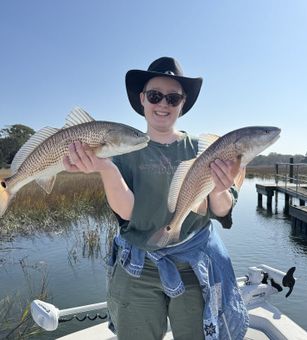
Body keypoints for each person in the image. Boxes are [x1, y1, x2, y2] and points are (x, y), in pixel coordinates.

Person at [63, 57, 249, 340]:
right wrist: (105, 167)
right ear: (142, 99)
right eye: (155, 96)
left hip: (193, 265)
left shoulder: (205, 148)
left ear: (182, 103)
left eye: (173, 98)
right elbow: (127, 213)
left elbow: (222, 211)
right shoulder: (121, 146)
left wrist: (219, 189)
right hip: (138, 264)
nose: (163, 104)